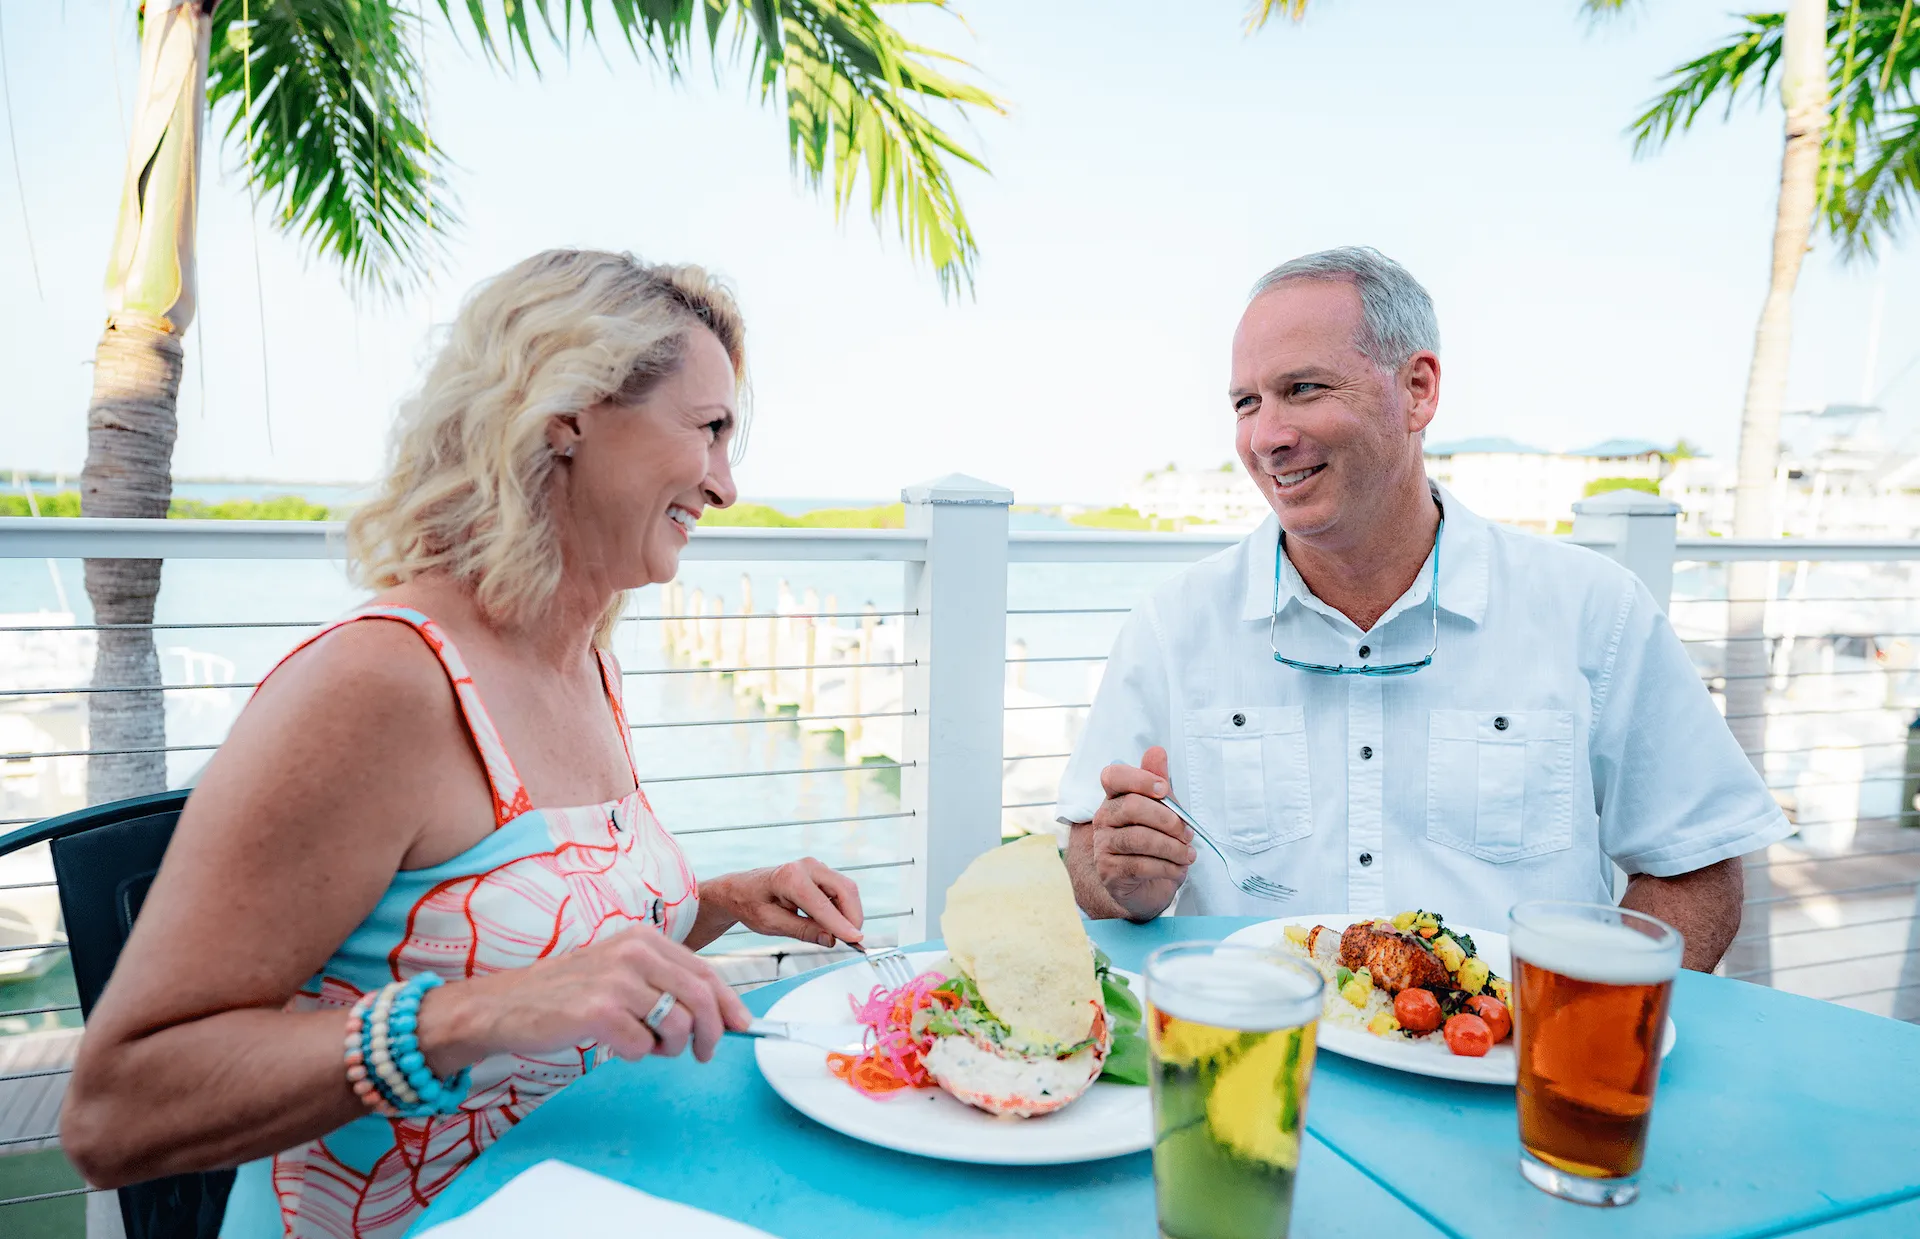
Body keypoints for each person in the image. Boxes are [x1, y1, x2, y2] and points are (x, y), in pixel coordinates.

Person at [62, 251, 870, 1237]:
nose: (726, 485)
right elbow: (113, 1112)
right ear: (567, 413)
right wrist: (470, 1019)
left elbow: (544, 943)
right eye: (708, 431)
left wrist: (725, 903)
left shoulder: (583, 663)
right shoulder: (383, 683)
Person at [1057, 246, 1788, 972]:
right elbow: (1088, 858)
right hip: (1257, 1064)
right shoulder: (1172, 624)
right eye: (1246, 402)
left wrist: (1578, 1034)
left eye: (1303, 388)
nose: (1266, 437)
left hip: (1502, 1073)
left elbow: (1695, 868)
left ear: (1418, 389)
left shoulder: (1593, 611)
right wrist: (1125, 876)